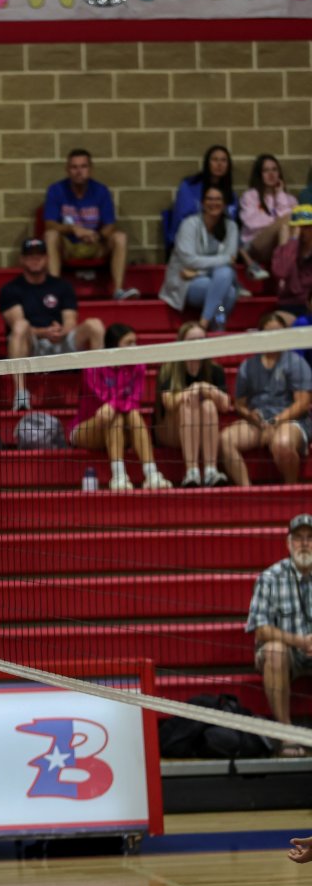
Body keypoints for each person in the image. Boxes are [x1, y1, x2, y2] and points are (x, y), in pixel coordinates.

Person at [0, 237, 104, 413]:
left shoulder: (62, 286)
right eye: (30, 256)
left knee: (95, 325)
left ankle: (95, 390)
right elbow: (17, 323)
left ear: (47, 258)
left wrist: (61, 331)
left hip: (60, 341)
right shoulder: (11, 290)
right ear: (22, 259)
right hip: (32, 345)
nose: (35, 259)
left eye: (39, 255)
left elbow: (70, 320)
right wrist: (44, 332)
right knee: (20, 326)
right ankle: (21, 394)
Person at [68, 323, 172, 491]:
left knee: (132, 414)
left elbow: (134, 400)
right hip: (88, 427)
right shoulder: (93, 367)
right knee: (114, 416)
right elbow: (103, 403)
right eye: (129, 343)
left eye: (135, 342)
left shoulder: (137, 365)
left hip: (120, 428)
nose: (134, 347)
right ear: (114, 346)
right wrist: (116, 404)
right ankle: (118, 476)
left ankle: (152, 475)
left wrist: (114, 404)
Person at [220, 313, 312, 487]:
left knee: (282, 444)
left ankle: (290, 488)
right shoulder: (248, 366)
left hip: (291, 420)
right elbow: (239, 404)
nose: (273, 337)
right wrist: (250, 415)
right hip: (259, 421)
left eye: (278, 332)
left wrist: (276, 421)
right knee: (225, 439)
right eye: (268, 333)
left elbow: (303, 403)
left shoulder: (296, 363)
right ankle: (247, 491)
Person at [245, 514, 312, 753]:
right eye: (298, 538)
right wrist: (300, 641)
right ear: (288, 543)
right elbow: (261, 629)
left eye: (310, 538)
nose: (304, 543)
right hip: (287, 654)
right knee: (274, 650)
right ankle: (286, 734)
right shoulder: (270, 578)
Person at [39, 148, 139, 300]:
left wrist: (97, 236)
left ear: (90, 169)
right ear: (67, 170)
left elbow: (110, 225)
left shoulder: (101, 190)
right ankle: (54, 291)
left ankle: (118, 291)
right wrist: (73, 229)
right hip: (68, 246)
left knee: (120, 237)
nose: (79, 171)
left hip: (95, 244)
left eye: (83, 166)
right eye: (74, 167)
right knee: (50, 235)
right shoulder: (56, 190)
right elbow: (50, 224)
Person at [153, 322, 230, 488]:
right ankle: (192, 471)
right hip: (170, 430)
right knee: (186, 405)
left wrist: (204, 387)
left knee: (209, 405)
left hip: (201, 429)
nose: (197, 345)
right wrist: (190, 392)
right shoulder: (169, 369)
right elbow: (169, 403)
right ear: (181, 343)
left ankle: (210, 470)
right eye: (192, 340)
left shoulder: (214, 369)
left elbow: (225, 405)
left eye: (201, 340)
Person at [169, 144, 261, 278]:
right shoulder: (189, 187)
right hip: (194, 244)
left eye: (223, 160)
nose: (219, 164)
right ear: (207, 163)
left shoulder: (231, 195)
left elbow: (231, 227)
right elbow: (180, 222)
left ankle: (242, 270)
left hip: (220, 246)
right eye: (215, 160)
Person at [159, 186, 239, 330]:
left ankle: (205, 322)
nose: (214, 203)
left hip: (209, 279)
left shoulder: (231, 227)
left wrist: (198, 272)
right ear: (202, 203)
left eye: (218, 199)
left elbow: (230, 258)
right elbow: (189, 260)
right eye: (210, 199)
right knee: (227, 291)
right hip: (186, 282)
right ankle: (218, 327)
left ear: (225, 204)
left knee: (225, 281)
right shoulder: (189, 224)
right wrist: (223, 260)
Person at [239, 153, 297, 269]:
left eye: (274, 170)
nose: (271, 174)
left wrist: (280, 194)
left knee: (286, 227)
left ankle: (282, 271)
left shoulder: (290, 199)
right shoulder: (250, 196)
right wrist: (277, 222)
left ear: (279, 173)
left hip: (280, 243)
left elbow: (293, 225)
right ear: (259, 174)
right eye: (266, 170)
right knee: (288, 219)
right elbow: (252, 223)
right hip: (255, 245)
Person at [272, 203, 312, 322]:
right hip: (289, 305)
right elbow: (280, 272)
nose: (302, 232)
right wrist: (293, 240)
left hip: (310, 304)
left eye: (306, 227)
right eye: (298, 227)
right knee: (274, 322)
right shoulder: (286, 250)